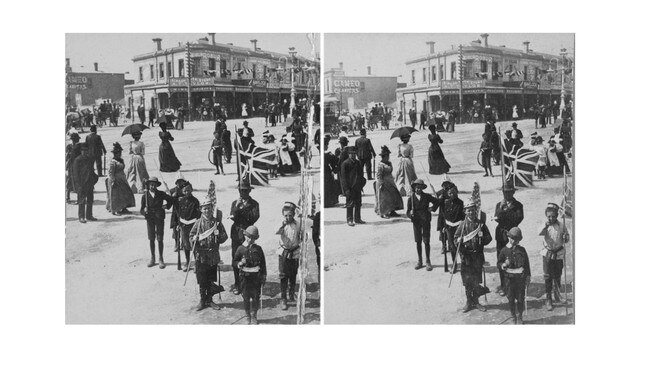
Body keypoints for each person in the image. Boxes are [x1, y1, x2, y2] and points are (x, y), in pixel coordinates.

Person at [190, 196, 226, 311]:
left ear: (212, 208)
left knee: (210, 279)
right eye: (204, 208)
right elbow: (191, 236)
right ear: (201, 209)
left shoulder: (217, 223)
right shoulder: (198, 223)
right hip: (201, 256)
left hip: (213, 256)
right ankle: (202, 300)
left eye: (209, 208)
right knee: (202, 279)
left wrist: (218, 235)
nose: (207, 210)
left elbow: (224, 237)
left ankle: (210, 300)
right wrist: (194, 238)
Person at [454, 200, 492, 312]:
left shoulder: (480, 224)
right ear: (465, 211)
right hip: (466, 258)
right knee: (467, 282)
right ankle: (468, 302)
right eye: (468, 210)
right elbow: (455, 239)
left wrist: (482, 239)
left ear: (476, 211)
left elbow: (489, 238)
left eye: (473, 210)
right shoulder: (462, 225)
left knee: (476, 281)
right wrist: (459, 241)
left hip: (477, 257)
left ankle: (476, 302)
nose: (471, 212)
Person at [228, 181, 260, 295]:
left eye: (245, 190)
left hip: (248, 234)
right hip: (236, 234)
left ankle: (248, 284)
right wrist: (237, 207)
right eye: (241, 190)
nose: (243, 193)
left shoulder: (254, 204)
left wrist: (243, 209)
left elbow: (253, 218)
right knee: (236, 259)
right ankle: (238, 284)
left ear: (250, 191)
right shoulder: (234, 203)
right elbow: (232, 217)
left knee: (249, 258)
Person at [494, 184, 524, 296]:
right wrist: (502, 209)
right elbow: (497, 218)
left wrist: (506, 213)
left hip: (512, 235)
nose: (507, 194)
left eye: (509, 192)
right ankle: (503, 285)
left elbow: (518, 218)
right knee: (502, 259)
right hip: (501, 235)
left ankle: (513, 284)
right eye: (505, 192)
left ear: (513, 193)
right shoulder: (499, 205)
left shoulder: (518, 205)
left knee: (513, 258)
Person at [539, 203, 570, 311]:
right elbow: (539, 233)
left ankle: (557, 295)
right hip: (547, 254)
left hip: (558, 254)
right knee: (548, 277)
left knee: (557, 275)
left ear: (557, 215)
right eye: (549, 216)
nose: (551, 218)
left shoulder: (562, 225)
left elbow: (566, 238)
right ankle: (548, 299)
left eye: (553, 216)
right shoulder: (545, 225)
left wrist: (566, 237)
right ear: (546, 216)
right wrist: (545, 226)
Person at [234, 225, 266, 324]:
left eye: (253, 238)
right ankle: (248, 315)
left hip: (256, 278)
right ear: (245, 235)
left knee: (256, 297)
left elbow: (263, 264)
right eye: (249, 237)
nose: (250, 239)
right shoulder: (240, 249)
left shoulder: (258, 249)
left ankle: (254, 315)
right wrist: (239, 263)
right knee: (246, 298)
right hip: (245, 278)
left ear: (255, 238)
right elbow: (234, 262)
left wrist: (263, 276)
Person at [497, 226, 530, 324]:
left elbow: (527, 265)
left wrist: (528, 276)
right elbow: (498, 263)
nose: (514, 241)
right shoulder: (504, 250)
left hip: (520, 279)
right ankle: (513, 316)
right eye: (512, 238)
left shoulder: (522, 250)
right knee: (510, 299)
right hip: (509, 280)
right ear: (508, 237)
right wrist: (502, 265)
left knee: (520, 299)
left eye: (517, 239)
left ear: (519, 240)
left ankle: (520, 316)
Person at [406, 179, 440, 270]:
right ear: (414, 188)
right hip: (416, 222)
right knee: (418, 241)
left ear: (422, 188)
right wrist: (410, 214)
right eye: (417, 188)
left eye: (420, 188)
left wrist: (432, 208)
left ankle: (428, 261)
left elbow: (437, 202)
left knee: (426, 241)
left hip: (425, 221)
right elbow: (407, 212)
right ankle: (420, 261)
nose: (418, 190)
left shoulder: (427, 196)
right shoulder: (411, 199)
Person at [140, 177, 173, 268]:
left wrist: (166, 206)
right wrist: (144, 211)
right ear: (148, 185)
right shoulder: (145, 196)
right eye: (151, 184)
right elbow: (141, 209)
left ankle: (161, 258)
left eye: (154, 185)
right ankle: (152, 258)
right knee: (151, 238)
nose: (152, 186)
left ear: (157, 185)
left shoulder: (161, 194)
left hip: (159, 218)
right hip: (150, 219)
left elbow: (171, 200)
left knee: (160, 238)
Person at [276, 202, 301, 310]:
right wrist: (283, 224)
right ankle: (283, 298)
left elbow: (302, 234)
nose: (288, 217)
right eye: (286, 215)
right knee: (283, 275)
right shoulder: (281, 224)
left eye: (290, 215)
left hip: (294, 253)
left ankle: (291, 293)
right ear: (283, 214)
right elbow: (276, 231)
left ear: (294, 214)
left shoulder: (298, 224)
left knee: (293, 274)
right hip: (284, 253)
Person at [177, 182, 202, 271]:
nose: (187, 192)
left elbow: (198, 214)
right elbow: (178, 214)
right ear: (182, 191)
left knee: (194, 244)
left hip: (193, 226)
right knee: (185, 245)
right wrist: (178, 225)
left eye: (188, 190)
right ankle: (187, 262)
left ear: (191, 190)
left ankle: (196, 263)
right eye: (185, 191)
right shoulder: (181, 201)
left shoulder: (195, 201)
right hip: (184, 226)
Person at [105, 142, 135, 215]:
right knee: (116, 195)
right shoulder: (112, 162)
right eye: (117, 153)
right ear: (114, 154)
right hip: (115, 180)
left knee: (125, 193)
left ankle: (124, 208)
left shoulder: (121, 160)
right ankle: (116, 209)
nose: (119, 154)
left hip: (122, 179)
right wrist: (112, 181)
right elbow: (111, 173)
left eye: (120, 152)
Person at [374, 146, 403, 218]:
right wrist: (381, 183)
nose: (388, 157)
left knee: (393, 195)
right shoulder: (380, 165)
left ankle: (392, 210)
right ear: (383, 157)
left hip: (390, 181)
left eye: (388, 156)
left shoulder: (389, 163)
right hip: (383, 182)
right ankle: (384, 212)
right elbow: (378, 175)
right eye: (386, 156)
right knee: (384, 198)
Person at [72, 143, 98, 223]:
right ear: (81, 151)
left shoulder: (89, 159)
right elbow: (75, 174)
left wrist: (95, 178)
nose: (85, 152)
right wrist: (78, 185)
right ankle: (81, 217)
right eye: (83, 150)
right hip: (81, 184)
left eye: (86, 150)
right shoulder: (77, 160)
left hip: (89, 183)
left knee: (90, 200)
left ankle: (89, 216)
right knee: (82, 201)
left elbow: (91, 170)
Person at [440, 185, 465, 268]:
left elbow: (463, 216)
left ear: (457, 193)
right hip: (449, 228)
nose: (452, 195)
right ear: (448, 194)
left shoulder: (460, 203)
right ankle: (454, 264)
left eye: (454, 193)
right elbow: (443, 216)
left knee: (460, 245)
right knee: (451, 247)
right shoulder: (446, 203)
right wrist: (443, 227)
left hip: (458, 227)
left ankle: (464, 263)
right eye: (450, 193)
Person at [340, 146, 365, 226]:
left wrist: (361, 185)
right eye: (351, 154)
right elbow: (343, 178)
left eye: (354, 154)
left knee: (358, 203)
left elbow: (361, 175)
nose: (353, 155)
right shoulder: (345, 163)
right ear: (348, 154)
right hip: (350, 187)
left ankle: (357, 218)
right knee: (350, 203)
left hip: (357, 187)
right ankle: (349, 219)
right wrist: (346, 189)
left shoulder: (358, 163)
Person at [324, 135, 340, 208]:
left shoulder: (326, 154)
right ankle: (329, 202)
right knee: (328, 187)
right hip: (327, 173)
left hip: (326, 172)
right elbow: (337, 162)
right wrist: (334, 171)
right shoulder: (328, 154)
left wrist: (334, 170)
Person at [66, 133, 81, 203]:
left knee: (70, 181)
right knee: (77, 182)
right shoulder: (79, 147)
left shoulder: (69, 147)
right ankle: (77, 198)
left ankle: (67, 197)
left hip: (71, 166)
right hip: (76, 167)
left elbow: (66, 157)